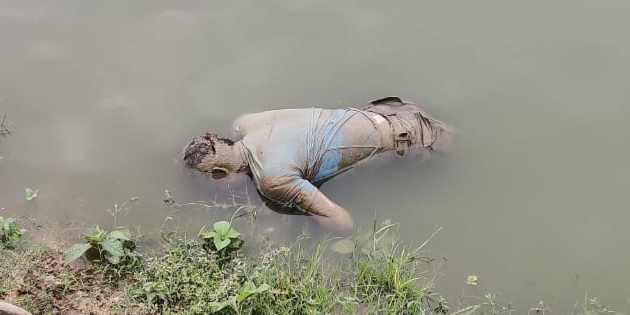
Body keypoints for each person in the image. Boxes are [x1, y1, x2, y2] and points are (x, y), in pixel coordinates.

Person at [181, 97, 449, 231]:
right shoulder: (246, 123)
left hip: (417, 140)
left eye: (212, 181)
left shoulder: (272, 180)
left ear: (219, 173)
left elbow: (342, 222)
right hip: (389, 108)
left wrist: (300, 214)